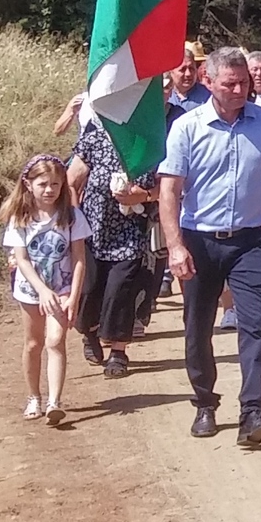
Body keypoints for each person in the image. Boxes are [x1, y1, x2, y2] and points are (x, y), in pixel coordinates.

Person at [158, 47, 261, 446]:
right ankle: (204, 399)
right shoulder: (187, 128)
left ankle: (253, 409)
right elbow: (170, 190)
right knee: (197, 328)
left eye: (244, 83)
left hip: (251, 240)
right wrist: (175, 246)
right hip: (199, 240)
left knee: (255, 326)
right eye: (229, 83)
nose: (239, 90)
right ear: (208, 81)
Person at [0, 153, 90, 427]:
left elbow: (78, 259)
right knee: (33, 343)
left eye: (55, 183)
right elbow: (23, 260)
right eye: (43, 184)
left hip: (61, 289)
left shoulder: (72, 216)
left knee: (55, 341)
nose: (50, 190)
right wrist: (41, 290)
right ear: (28, 185)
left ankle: (54, 402)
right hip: (30, 290)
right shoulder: (20, 217)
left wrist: (73, 295)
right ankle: (33, 396)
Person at [68, 116, 159, 378]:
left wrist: (141, 196)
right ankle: (90, 330)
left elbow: (164, 187)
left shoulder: (147, 145)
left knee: (121, 291)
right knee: (89, 292)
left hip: (129, 233)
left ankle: (118, 352)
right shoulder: (93, 140)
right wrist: (75, 219)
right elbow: (71, 183)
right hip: (91, 233)